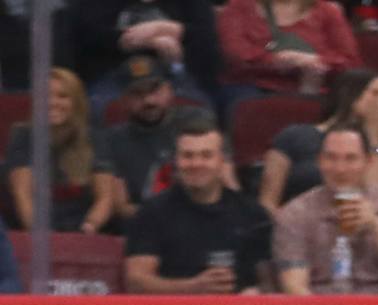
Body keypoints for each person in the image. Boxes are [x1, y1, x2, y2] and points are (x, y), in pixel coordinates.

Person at [124, 114, 271, 293]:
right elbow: (136, 282)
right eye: (187, 156)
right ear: (176, 162)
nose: (196, 164)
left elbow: (270, 281)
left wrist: (258, 295)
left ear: (222, 162)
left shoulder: (252, 213)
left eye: (206, 155)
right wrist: (194, 287)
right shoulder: (151, 213)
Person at [273, 125, 378, 293]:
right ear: (319, 161)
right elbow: (295, 288)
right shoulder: (296, 213)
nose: (340, 169)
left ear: (368, 162)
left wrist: (377, 226)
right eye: (331, 158)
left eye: (351, 158)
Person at [258, 69, 378, 213]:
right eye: (375, 94)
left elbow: (377, 200)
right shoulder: (294, 135)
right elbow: (267, 201)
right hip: (297, 224)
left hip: (359, 226)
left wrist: (373, 136)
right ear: (351, 93)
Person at [5, 68, 119, 234]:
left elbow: (105, 198)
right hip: (35, 233)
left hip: (85, 231)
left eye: (63, 96)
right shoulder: (23, 135)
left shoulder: (94, 138)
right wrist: (42, 237)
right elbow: (23, 196)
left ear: (76, 102)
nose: (53, 102)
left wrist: (88, 228)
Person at [70, 0, 221, 119]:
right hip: (113, 73)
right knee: (101, 109)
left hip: (174, 73)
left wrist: (174, 30)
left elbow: (207, 39)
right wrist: (142, 41)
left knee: (198, 109)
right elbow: (87, 35)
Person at [99, 55, 189, 221]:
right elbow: (121, 207)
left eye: (154, 90)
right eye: (137, 94)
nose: (148, 100)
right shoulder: (112, 140)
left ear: (169, 90)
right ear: (124, 100)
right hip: (143, 227)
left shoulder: (195, 124)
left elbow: (222, 187)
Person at [216, 0, 360, 100]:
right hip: (252, 87)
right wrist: (275, 61)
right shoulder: (239, 7)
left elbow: (349, 61)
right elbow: (234, 53)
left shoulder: (328, 11)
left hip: (314, 89)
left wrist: (314, 61)